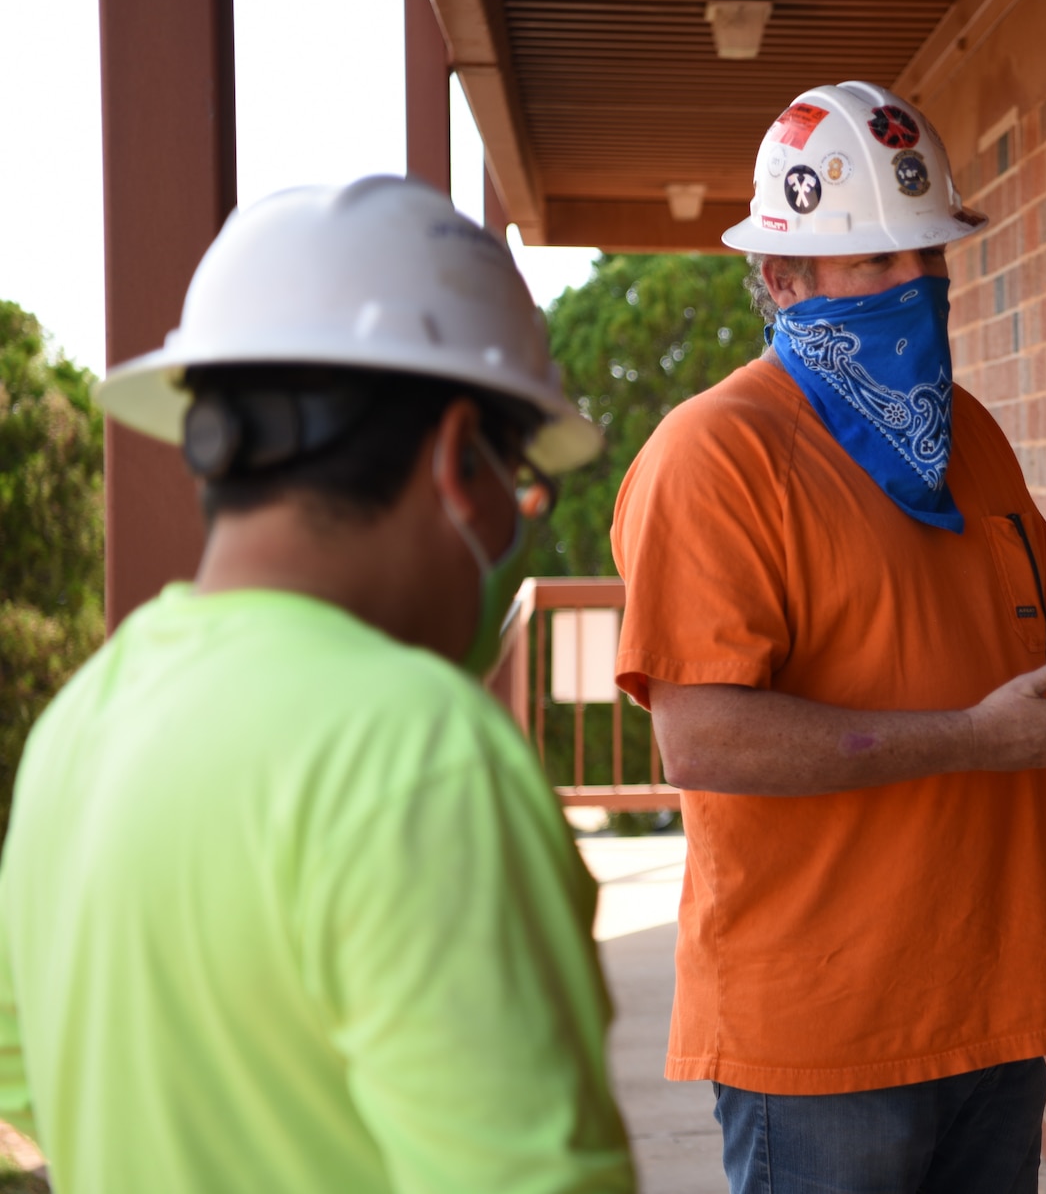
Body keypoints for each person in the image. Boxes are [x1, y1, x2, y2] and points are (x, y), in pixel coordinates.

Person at [0, 178, 635, 1192]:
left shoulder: (78, 725)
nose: (512, 525)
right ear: (452, 456)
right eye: (514, 479)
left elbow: (35, 1085)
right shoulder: (423, 751)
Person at [609, 81, 1046, 1194]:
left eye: (929, 255)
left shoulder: (964, 431)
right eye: (874, 261)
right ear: (782, 279)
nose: (916, 284)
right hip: (819, 1038)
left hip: (991, 1005)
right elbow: (705, 741)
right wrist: (970, 738)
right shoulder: (713, 455)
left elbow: (1040, 637)